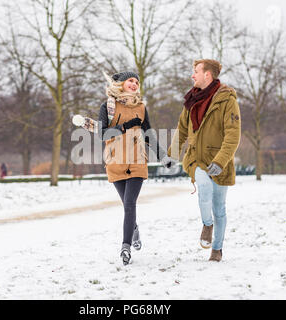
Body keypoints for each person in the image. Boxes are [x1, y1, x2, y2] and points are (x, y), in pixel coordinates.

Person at [98, 71, 175, 265]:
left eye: (136, 81)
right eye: (130, 81)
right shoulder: (107, 106)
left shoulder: (141, 107)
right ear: (121, 84)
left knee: (130, 203)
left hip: (138, 160)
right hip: (115, 161)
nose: (134, 84)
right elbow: (103, 135)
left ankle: (125, 247)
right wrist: (125, 126)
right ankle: (133, 229)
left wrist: (163, 156)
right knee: (126, 204)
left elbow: (148, 133)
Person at [167, 59, 241, 262]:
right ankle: (207, 224)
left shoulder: (227, 100)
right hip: (195, 159)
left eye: (196, 71)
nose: (193, 75)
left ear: (207, 74)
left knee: (219, 208)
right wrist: (172, 155)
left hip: (219, 162)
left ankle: (217, 249)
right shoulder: (192, 100)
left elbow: (233, 135)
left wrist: (220, 161)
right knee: (204, 187)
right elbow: (182, 129)